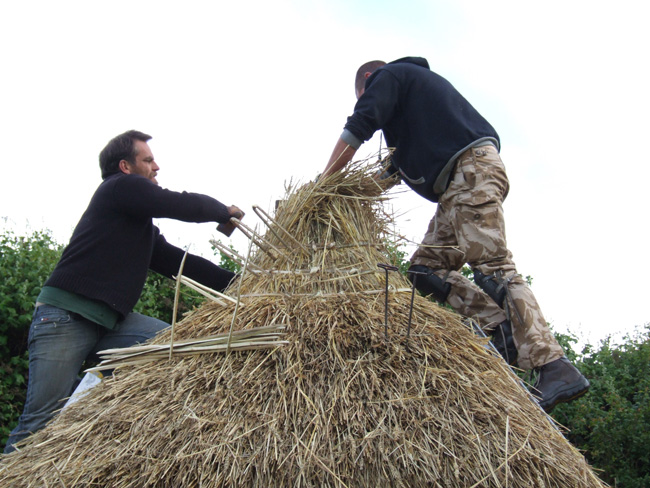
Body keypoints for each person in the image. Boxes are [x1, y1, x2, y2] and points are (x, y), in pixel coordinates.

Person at [321, 57, 589, 413]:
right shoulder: (414, 120)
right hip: (456, 188)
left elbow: (360, 123)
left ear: (368, 81)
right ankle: (502, 331)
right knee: (425, 269)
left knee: (493, 266)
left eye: (363, 95)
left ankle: (552, 364)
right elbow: (388, 174)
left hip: (470, 172)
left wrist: (324, 183)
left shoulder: (390, 76)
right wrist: (340, 200)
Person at [4, 130, 243, 453]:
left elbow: (178, 262)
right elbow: (175, 202)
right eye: (148, 160)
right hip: (66, 318)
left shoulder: (136, 224)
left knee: (173, 345)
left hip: (112, 324)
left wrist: (239, 282)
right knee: (39, 422)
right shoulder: (118, 188)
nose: (156, 167)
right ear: (126, 167)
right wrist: (221, 211)